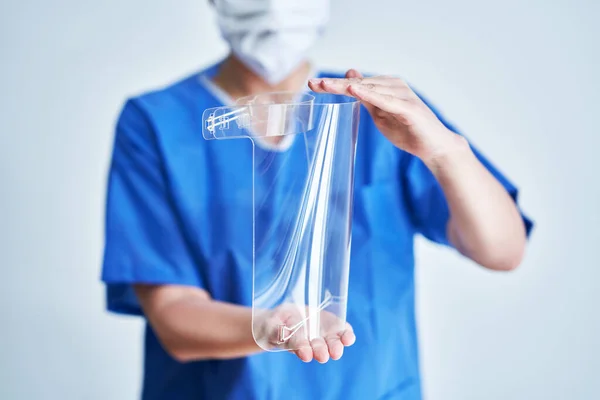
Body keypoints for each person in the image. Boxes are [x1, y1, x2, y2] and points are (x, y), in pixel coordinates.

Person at [101, 0, 533, 399]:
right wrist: (267, 327)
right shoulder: (156, 122)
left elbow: (503, 250)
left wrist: (445, 152)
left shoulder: (379, 113)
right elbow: (174, 317)